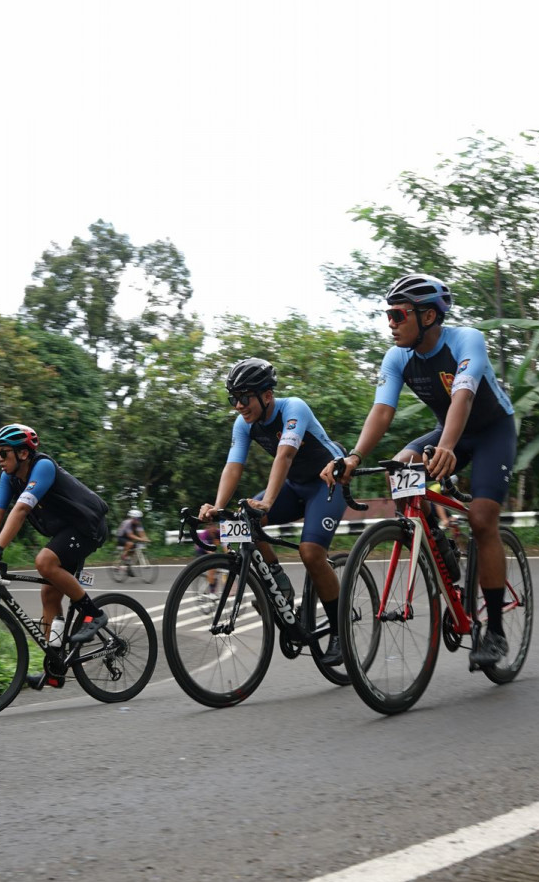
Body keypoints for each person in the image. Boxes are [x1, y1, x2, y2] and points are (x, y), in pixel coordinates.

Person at [320, 273, 517, 669]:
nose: (390, 323)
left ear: (428, 316)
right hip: (449, 432)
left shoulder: (466, 340)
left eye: (398, 315)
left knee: (482, 520)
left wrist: (447, 447)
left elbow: (463, 397)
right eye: (388, 315)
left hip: (492, 431)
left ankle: (494, 629)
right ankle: (439, 544)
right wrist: (354, 456)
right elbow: (382, 411)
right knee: (399, 469)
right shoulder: (397, 357)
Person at [199, 357, 346, 666]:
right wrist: (218, 506)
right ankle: (280, 584)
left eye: (244, 397)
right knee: (243, 520)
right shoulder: (244, 423)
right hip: (295, 486)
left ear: (267, 395)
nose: (239, 405)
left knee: (311, 553)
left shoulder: (294, 408)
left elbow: (285, 456)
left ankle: (339, 632)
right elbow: (233, 465)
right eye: (234, 398)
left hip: (327, 484)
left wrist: (266, 502)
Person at [0, 423, 110, 688]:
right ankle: (55, 668)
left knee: (44, 562)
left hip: (88, 526)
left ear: (23, 453)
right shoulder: (9, 477)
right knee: (49, 595)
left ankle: (94, 614)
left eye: (3, 453)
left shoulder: (43, 466)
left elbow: (21, 510)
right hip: (68, 531)